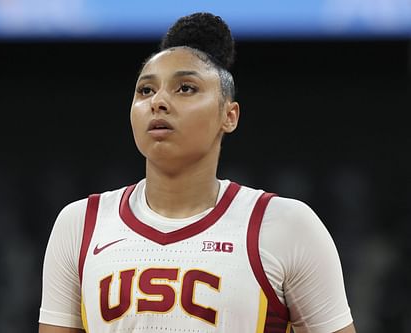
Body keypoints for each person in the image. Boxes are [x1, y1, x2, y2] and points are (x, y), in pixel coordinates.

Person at [38, 12, 356, 333]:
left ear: (229, 116)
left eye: (186, 88)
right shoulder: (79, 223)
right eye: (146, 91)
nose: (159, 101)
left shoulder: (287, 226)